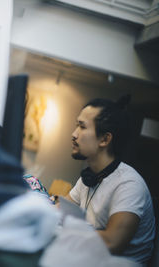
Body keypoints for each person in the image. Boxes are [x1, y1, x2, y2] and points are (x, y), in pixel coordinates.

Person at [65, 95, 155, 264]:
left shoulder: (129, 184)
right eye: (76, 125)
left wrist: (69, 229)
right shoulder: (89, 176)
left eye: (82, 127)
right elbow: (61, 210)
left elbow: (112, 242)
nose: (74, 134)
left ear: (105, 139)